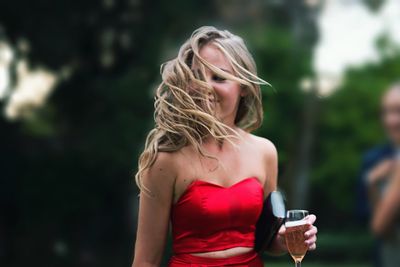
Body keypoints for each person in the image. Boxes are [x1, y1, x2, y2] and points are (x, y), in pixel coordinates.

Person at [132, 26, 318, 267]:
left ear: (243, 88)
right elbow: (146, 261)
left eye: (219, 77)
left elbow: (264, 238)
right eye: (196, 77)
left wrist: (282, 242)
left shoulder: (264, 152)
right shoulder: (166, 160)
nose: (205, 87)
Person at [357, 83, 400, 267]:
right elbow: (368, 221)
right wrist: (372, 183)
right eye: (386, 112)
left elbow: (378, 226)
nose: (391, 120)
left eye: (398, 111)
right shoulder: (373, 159)